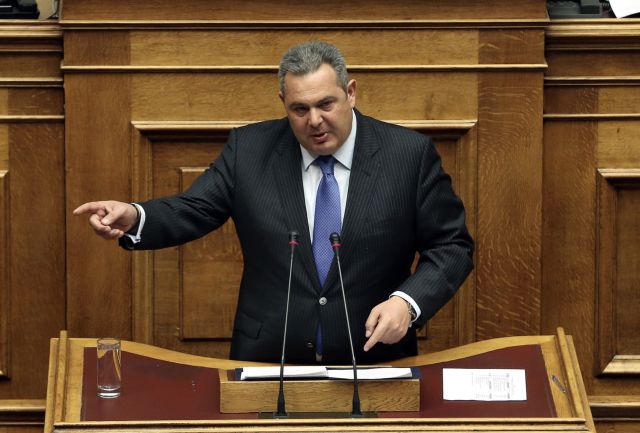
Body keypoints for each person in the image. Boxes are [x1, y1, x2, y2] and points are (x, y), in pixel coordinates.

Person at [74, 41, 474, 365]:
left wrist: (407, 303)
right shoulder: (249, 150)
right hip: (268, 359)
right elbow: (194, 209)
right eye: (299, 109)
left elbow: (451, 246)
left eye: (326, 104)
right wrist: (135, 217)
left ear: (351, 93)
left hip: (374, 359)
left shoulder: (408, 156)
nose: (314, 120)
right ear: (283, 101)